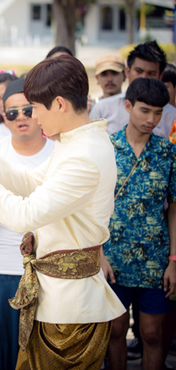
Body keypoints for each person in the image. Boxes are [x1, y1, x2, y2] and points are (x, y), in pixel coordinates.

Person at [0, 55, 126, 369]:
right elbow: (33, 183)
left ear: (59, 104)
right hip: (57, 294)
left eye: (35, 108)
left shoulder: (83, 154)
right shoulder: (76, 143)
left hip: (70, 305)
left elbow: (25, 215)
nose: (32, 117)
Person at [101, 78, 176, 370]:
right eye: (145, 110)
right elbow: (91, 209)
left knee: (151, 334)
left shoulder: (168, 153)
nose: (152, 119)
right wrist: (99, 255)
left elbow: (173, 210)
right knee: (116, 331)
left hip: (155, 260)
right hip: (113, 257)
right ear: (128, 106)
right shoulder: (106, 148)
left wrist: (173, 260)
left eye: (158, 112)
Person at [0, 78, 55, 370]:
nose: (20, 118)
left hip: (47, 263)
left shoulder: (59, 151)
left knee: (39, 348)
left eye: (27, 110)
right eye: (12, 113)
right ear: (3, 116)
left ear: (39, 110)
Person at [90, 41, 176, 140]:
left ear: (160, 76)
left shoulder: (172, 116)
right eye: (139, 71)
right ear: (127, 72)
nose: (144, 78)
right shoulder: (102, 109)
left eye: (151, 73)